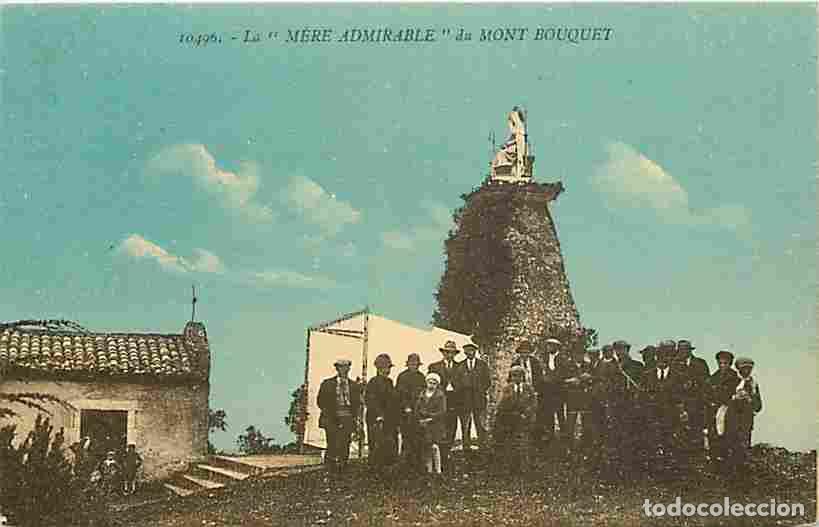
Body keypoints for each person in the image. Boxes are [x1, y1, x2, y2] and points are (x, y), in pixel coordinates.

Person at [640, 341, 684, 471]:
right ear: (656, 359)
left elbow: (680, 396)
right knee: (653, 439)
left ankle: (670, 467)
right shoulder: (647, 375)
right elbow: (642, 396)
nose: (662, 361)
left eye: (665, 358)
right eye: (659, 357)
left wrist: (680, 411)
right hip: (652, 414)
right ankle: (654, 467)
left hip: (671, 415)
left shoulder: (677, 376)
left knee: (670, 440)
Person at [317, 358, 362, 473]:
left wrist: (355, 419)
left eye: (346, 367)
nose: (344, 370)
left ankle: (343, 469)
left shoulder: (354, 386)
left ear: (349, 369)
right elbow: (320, 401)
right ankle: (328, 470)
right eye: (341, 367)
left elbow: (357, 404)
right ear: (337, 369)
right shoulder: (327, 384)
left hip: (347, 417)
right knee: (332, 443)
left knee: (345, 443)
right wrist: (331, 413)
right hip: (332, 418)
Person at [493, 365, 538, 474]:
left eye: (519, 376)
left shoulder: (529, 388)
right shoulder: (507, 389)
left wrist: (526, 414)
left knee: (524, 444)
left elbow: (533, 404)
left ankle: (525, 467)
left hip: (525, 420)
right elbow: (502, 406)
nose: (517, 378)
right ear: (511, 377)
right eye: (514, 376)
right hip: (511, 420)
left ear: (523, 377)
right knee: (510, 444)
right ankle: (511, 467)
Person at [428, 340, 462, 472]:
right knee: (440, 430)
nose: (449, 355)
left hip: (454, 404)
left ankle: (446, 455)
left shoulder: (460, 367)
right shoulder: (434, 367)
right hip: (439, 405)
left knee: (451, 429)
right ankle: (439, 459)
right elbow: (431, 386)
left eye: (452, 353)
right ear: (443, 353)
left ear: (455, 354)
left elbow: (463, 384)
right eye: (447, 352)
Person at [675, 339, 711, 459]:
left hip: (697, 404)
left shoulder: (700, 363)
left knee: (696, 432)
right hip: (679, 404)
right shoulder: (674, 364)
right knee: (680, 433)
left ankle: (697, 460)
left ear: (690, 351)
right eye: (680, 350)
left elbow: (707, 382)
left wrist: (694, 383)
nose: (682, 352)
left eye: (685, 350)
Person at [726, 357, 762, 472]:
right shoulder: (732, 381)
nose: (747, 371)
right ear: (738, 369)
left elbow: (758, 406)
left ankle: (743, 474)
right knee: (731, 446)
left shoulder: (753, 384)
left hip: (746, 421)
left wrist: (749, 399)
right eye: (744, 368)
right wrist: (734, 398)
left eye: (749, 368)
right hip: (732, 420)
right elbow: (723, 398)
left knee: (744, 446)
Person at [456, 341, 491, 455]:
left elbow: (487, 381)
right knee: (465, 424)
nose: (469, 353)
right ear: (464, 352)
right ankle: (466, 446)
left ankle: (482, 446)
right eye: (467, 351)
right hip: (464, 400)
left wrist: (479, 389)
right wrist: (463, 389)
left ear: (475, 351)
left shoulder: (482, 365)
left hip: (479, 399)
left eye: (471, 350)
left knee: (480, 423)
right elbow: (456, 381)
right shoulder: (460, 365)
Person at [707, 350, 740, 468]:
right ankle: (715, 464)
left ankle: (727, 466)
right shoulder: (713, 377)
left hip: (728, 411)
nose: (722, 366)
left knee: (727, 437)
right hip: (714, 410)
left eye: (725, 363)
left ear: (730, 364)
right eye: (720, 363)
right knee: (714, 436)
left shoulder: (735, 378)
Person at [366, 353, 399, 471]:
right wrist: (379, 415)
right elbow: (371, 401)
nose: (387, 370)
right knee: (376, 446)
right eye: (385, 367)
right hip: (377, 420)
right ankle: (375, 471)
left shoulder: (389, 382)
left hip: (390, 420)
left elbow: (393, 401)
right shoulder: (373, 382)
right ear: (378, 368)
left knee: (389, 446)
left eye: (388, 367)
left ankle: (387, 472)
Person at [396, 353, 427, 471]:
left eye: (416, 364)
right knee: (407, 437)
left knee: (418, 438)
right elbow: (400, 394)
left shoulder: (421, 377)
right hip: (406, 413)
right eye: (412, 364)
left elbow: (424, 393)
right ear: (408, 364)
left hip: (418, 412)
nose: (414, 366)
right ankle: (405, 464)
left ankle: (417, 463)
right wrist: (406, 407)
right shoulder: (402, 376)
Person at [564, 347, 596, 460]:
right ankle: (570, 449)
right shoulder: (567, 365)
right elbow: (561, 379)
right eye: (577, 354)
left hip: (585, 400)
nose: (579, 356)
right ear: (573, 354)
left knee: (586, 425)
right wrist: (570, 380)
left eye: (581, 354)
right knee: (570, 425)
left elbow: (594, 378)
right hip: (571, 399)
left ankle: (585, 450)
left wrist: (589, 378)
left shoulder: (588, 365)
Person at [511, 341, 544, 440]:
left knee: (534, 415)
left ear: (530, 352)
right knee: (520, 415)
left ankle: (535, 438)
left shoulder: (535, 362)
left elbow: (539, 378)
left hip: (534, 392)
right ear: (519, 353)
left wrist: (537, 390)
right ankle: (520, 437)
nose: (524, 354)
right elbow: (510, 379)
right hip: (521, 393)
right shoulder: (515, 363)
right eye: (522, 352)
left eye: (526, 352)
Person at [541, 337, 571, 447]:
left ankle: (563, 436)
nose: (549, 347)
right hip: (548, 391)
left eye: (551, 346)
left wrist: (552, 378)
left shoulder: (562, 358)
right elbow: (543, 372)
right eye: (548, 345)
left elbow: (564, 374)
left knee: (560, 414)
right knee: (548, 413)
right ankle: (550, 435)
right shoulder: (544, 358)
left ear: (556, 347)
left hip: (559, 391)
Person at [415, 372, 447, 475]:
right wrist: (420, 419)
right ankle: (429, 469)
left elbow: (442, 411)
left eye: (434, 383)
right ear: (426, 382)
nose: (431, 385)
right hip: (424, 424)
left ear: (437, 384)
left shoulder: (440, 395)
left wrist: (430, 418)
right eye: (429, 382)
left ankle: (438, 469)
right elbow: (417, 408)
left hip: (435, 425)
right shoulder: (422, 394)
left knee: (434, 446)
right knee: (426, 446)